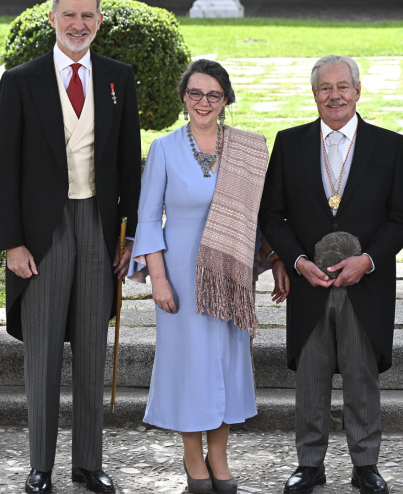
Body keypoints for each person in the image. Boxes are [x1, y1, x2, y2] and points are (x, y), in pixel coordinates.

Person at [0, 0, 141, 492]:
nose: (79, 25)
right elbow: (1, 169)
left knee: (92, 348)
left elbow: (129, 159)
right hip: (41, 232)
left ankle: (88, 464)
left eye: (88, 16)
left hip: (97, 224)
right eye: (69, 15)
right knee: (45, 350)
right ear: (52, 19)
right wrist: (12, 243)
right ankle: (41, 466)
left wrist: (131, 232)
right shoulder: (20, 80)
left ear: (99, 21)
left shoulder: (118, 78)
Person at [128, 59, 289, 494]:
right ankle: (193, 457)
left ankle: (219, 455)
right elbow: (146, 220)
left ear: (226, 100)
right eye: (196, 93)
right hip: (180, 277)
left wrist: (274, 260)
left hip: (230, 276)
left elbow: (261, 219)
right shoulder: (163, 149)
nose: (204, 102)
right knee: (189, 367)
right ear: (184, 98)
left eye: (214, 95)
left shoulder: (248, 150)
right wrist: (157, 279)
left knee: (225, 364)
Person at [259, 55, 403, 494]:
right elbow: (272, 216)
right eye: (325, 88)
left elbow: (402, 220)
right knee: (310, 375)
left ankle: (365, 463)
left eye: (343, 87)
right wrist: (295, 261)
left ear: (358, 91)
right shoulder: (289, 144)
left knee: (362, 375)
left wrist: (367, 261)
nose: (335, 95)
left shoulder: (388, 145)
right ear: (314, 95)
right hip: (310, 284)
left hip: (364, 284)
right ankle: (309, 463)